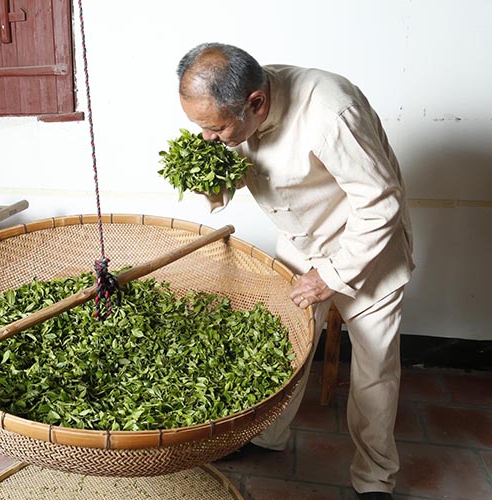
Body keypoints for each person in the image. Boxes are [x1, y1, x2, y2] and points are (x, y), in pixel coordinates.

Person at [175, 43, 414, 500]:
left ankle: (374, 480)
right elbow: (242, 165)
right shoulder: (235, 107)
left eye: (216, 128)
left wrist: (333, 275)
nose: (207, 137)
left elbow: (380, 202)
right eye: (199, 127)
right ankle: (268, 437)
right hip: (303, 242)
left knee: (374, 371)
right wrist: (212, 183)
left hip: (366, 250)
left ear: (256, 103)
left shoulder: (331, 112)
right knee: (283, 347)